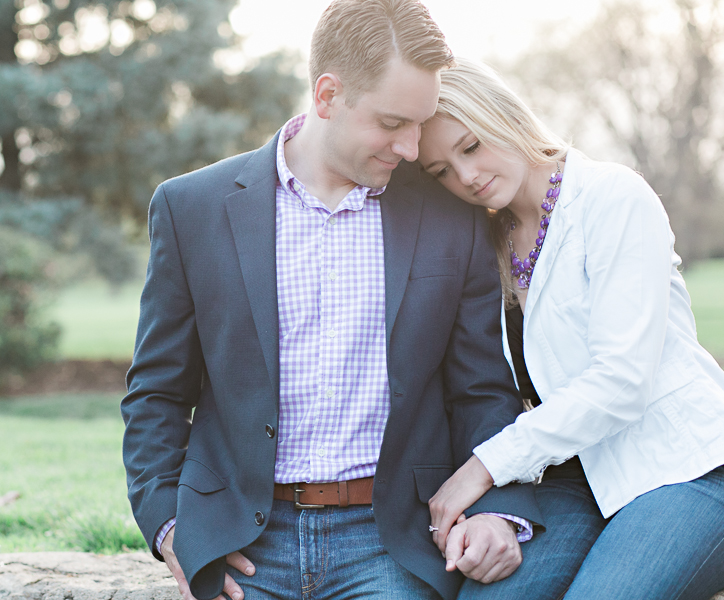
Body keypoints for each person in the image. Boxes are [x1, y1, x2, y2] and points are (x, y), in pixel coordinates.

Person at [121, 3, 546, 600]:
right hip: (238, 546)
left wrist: (496, 511)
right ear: (327, 95)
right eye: (393, 122)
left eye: (420, 122)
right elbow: (156, 393)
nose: (411, 146)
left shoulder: (451, 217)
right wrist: (172, 529)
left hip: (394, 542)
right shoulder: (192, 209)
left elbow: (481, 387)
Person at [417, 57, 724, 600]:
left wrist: (483, 467)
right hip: (569, 479)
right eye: (441, 171)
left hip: (683, 464)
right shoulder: (484, 240)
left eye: (470, 147)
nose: (464, 177)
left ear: (503, 116)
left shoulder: (612, 197)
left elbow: (621, 380)